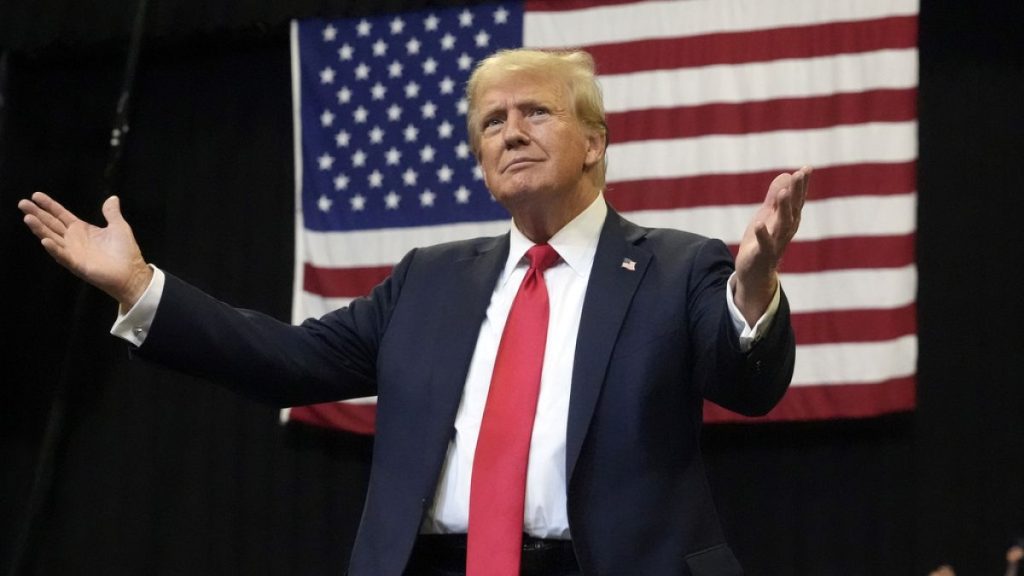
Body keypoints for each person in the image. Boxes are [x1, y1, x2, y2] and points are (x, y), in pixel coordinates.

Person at [19, 48, 811, 576]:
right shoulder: (429, 282)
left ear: (595, 142)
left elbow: (748, 380)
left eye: (534, 112)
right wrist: (141, 287)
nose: (511, 133)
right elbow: (289, 362)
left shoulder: (676, 267)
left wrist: (753, 289)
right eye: (491, 124)